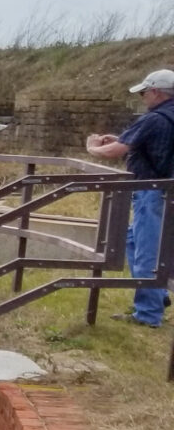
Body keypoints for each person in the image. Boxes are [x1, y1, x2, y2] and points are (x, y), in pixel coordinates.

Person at [85, 68, 174, 328]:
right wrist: (125, 139)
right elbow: (154, 146)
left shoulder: (154, 118)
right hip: (165, 191)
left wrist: (93, 148)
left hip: (153, 192)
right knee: (134, 240)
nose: (142, 98)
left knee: (148, 252)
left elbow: (113, 152)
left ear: (156, 92)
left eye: (144, 93)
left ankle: (148, 314)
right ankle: (157, 294)